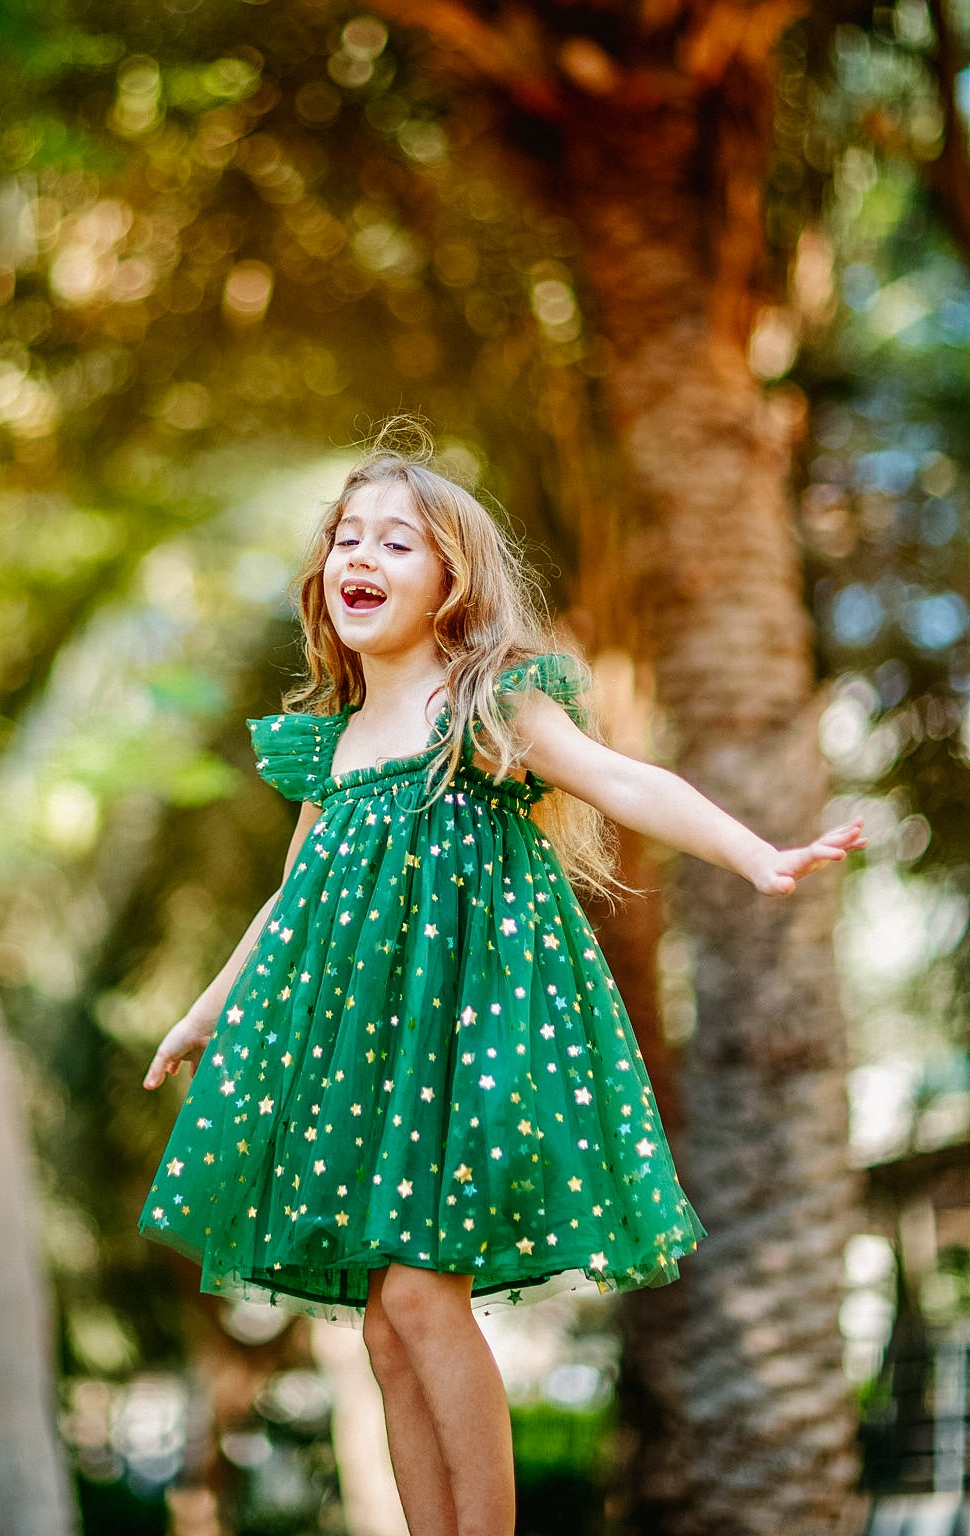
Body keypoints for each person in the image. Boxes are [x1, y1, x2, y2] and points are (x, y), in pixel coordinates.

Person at [138, 435, 864, 1536]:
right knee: (384, 1325)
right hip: (364, 1056)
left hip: (466, 1043)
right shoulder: (328, 746)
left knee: (424, 1295)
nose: (359, 555)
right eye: (346, 537)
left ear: (451, 582)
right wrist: (204, 1012)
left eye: (396, 540)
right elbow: (288, 904)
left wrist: (755, 852)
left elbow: (623, 777)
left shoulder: (483, 703)